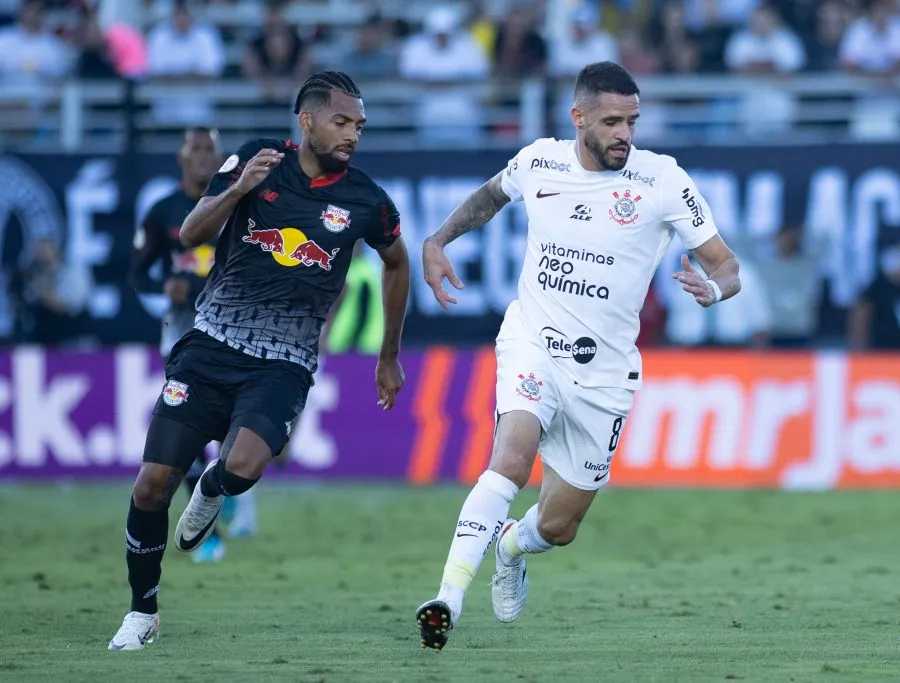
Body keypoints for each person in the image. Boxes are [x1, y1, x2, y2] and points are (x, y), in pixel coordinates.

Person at [415, 61, 741, 650]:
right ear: (579, 117)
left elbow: (727, 265)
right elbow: (490, 197)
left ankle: (512, 546)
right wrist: (437, 241)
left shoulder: (662, 180)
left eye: (632, 122)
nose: (625, 133)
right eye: (612, 121)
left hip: (605, 375)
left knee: (559, 526)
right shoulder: (540, 161)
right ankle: (447, 599)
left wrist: (714, 290)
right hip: (534, 343)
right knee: (510, 460)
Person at [108, 71, 410, 651]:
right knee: (150, 488)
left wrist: (387, 355)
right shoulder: (256, 161)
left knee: (243, 467)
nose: (352, 134)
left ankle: (214, 490)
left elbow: (398, 265)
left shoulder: (366, 199)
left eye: (359, 126)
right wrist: (238, 187)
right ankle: (141, 613)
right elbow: (192, 234)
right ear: (307, 122)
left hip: (285, 362)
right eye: (341, 122)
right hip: (210, 345)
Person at [131, 125, 256, 564]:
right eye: (196, 150)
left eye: (211, 151)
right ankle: (212, 528)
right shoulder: (164, 210)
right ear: (182, 158)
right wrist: (166, 285)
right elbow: (138, 271)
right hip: (183, 332)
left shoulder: (239, 205)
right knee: (183, 428)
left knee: (235, 419)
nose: (203, 158)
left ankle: (231, 486)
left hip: (233, 329)